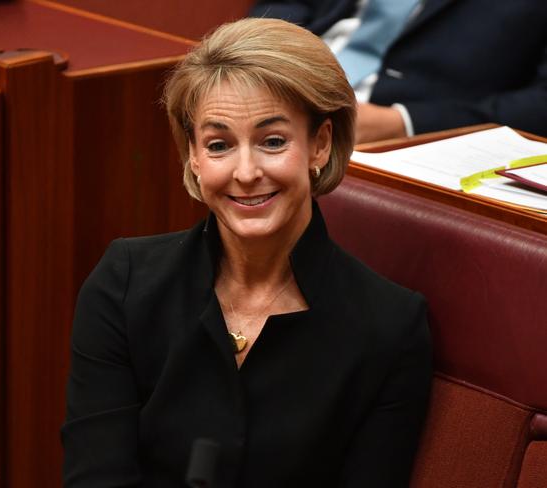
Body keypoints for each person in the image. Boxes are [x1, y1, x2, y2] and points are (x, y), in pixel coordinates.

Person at [61, 17, 432, 487]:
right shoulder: (125, 281)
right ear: (193, 157)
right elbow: (95, 478)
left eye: (272, 141)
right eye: (219, 145)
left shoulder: (390, 327)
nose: (245, 171)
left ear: (320, 144)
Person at [250, 0, 547, 143]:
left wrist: (403, 123)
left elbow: (540, 103)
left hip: (402, 137)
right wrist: (271, 60)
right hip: (280, 82)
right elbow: (286, 3)